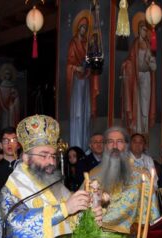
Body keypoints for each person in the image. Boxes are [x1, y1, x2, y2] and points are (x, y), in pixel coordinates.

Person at [89, 126, 159, 234]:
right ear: (106, 146)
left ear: (126, 145)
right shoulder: (93, 174)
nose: (115, 146)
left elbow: (152, 214)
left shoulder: (141, 176)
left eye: (119, 141)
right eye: (110, 142)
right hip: (97, 234)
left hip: (130, 236)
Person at [66, 16, 100, 150]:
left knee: (85, 111)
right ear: (78, 28)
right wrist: (76, 68)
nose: (84, 30)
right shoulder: (73, 43)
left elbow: (91, 58)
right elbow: (69, 63)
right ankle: (76, 144)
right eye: (82, 27)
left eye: (85, 28)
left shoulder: (87, 43)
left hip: (85, 80)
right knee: (78, 112)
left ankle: (85, 145)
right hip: (76, 81)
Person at [121, 19, 157, 135]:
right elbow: (130, 60)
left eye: (146, 30)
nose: (145, 32)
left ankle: (144, 130)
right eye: (143, 29)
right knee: (136, 102)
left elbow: (153, 66)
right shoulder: (135, 45)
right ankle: (137, 130)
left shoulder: (149, 45)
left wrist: (150, 62)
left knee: (145, 103)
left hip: (146, 76)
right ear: (139, 30)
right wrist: (126, 64)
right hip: (136, 77)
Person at [0, 63, 21, 130]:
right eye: (6, 74)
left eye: (9, 74)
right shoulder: (0, 88)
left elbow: (16, 98)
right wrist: (4, 107)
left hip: (12, 108)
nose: (8, 75)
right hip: (4, 110)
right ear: (4, 75)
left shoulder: (13, 87)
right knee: (4, 125)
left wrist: (14, 100)